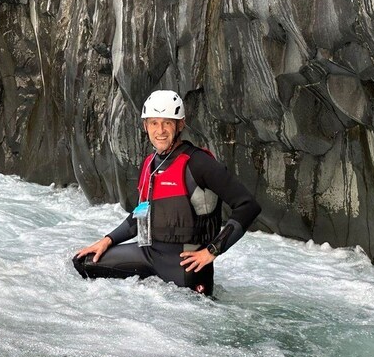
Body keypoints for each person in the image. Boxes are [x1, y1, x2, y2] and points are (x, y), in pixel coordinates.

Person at [72, 89, 261, 296]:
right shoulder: (149, 164)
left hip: (186, 265)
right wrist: (106, 240)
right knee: (83, 263)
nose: (160, 130)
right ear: (145, 126)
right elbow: (141, 215)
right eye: (154, 123)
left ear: (180, 125)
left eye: (167, 123)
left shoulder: (200, 163)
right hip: (148, 254)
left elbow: (247, 206)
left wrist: (212, 251)